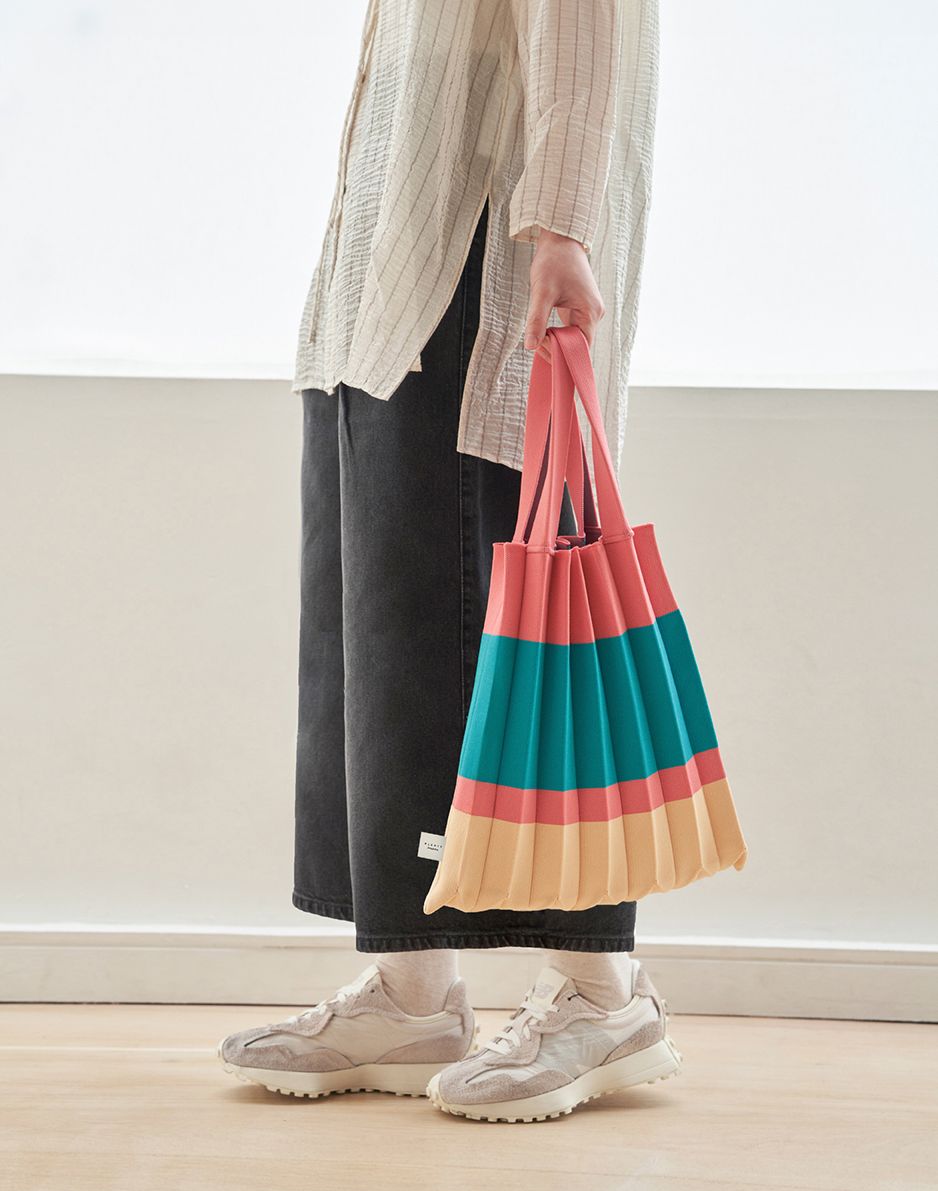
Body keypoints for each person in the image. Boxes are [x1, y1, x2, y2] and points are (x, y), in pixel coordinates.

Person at [219, 0, 678, 1122]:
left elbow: (588, 29)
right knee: (379, 627)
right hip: (386, 268)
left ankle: (601, 992)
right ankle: (411, 992)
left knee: (521, 622)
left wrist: (562, 227)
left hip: (488, 260)